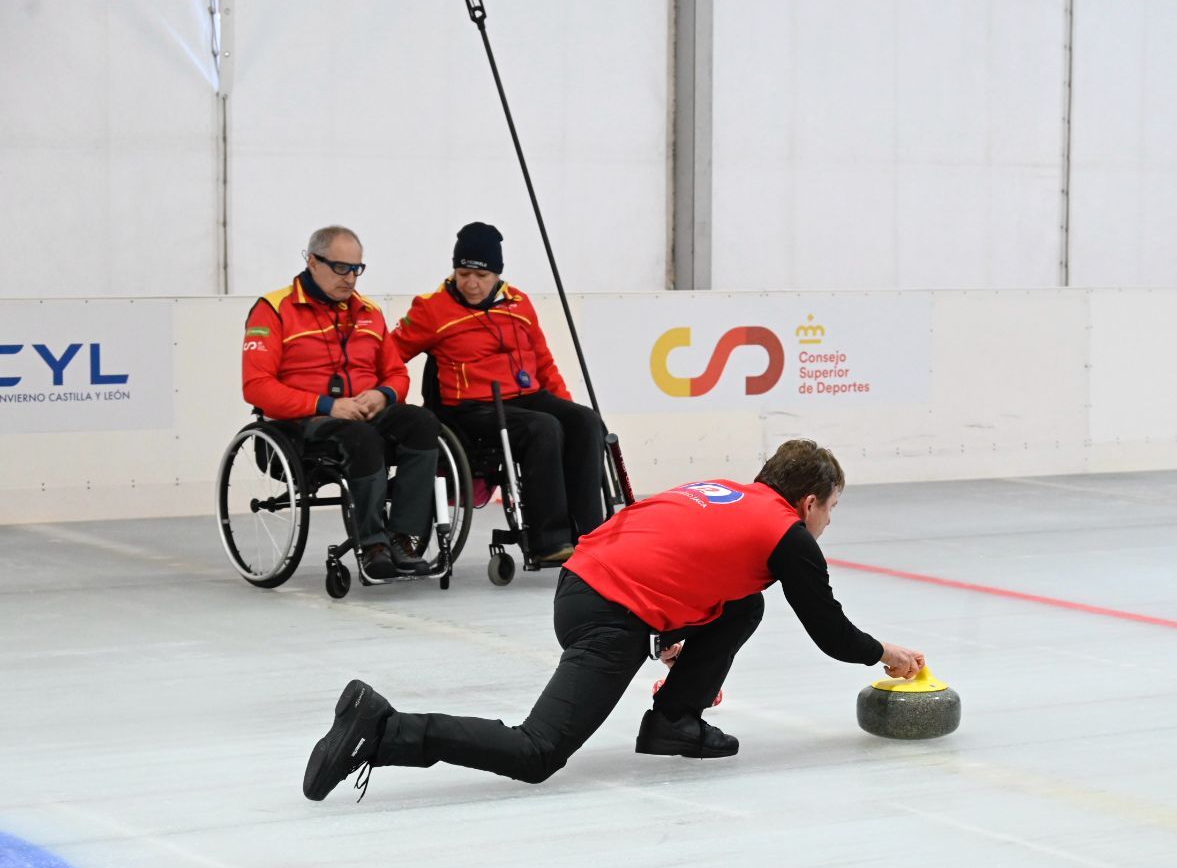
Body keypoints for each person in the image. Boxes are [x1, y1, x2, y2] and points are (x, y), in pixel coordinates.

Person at [301, 439, 926, 801]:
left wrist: (676, 631)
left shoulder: (723, 492)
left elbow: (671, 555)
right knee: (536, 751)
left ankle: (674, 723)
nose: (829, 522)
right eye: (832, 508)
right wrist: (884, 654)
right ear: (809, 501)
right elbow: (828, 630)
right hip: (609, 611)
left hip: (587, 582)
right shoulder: (787, 533)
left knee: (746, 602)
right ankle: (384, 728)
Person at [392, 222, 605, 564]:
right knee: (542, 428)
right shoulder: (432, 309)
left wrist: (566, 407)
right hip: (471, 407)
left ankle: (591, 532)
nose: (471, 284)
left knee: (585, 421)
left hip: (525, 396)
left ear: (498, 275)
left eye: (482, 276)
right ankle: (548, 541)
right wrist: (390, 397)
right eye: (463, 274)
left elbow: (543, 362)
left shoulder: (519, 303)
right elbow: (390, 355)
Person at [242, 226, 442, 580]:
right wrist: (326, 405)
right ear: (312, 261)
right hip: (302, 424)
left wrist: (383, 395)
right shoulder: (272, 310)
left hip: (363, 415)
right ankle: (373, 545)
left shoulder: (369, 312)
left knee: (422, 422)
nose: (350, 278)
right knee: (359, 438)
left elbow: (397, 374)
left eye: (357, 269)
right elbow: (256, 387)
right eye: (340, 268)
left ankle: (401, 537)